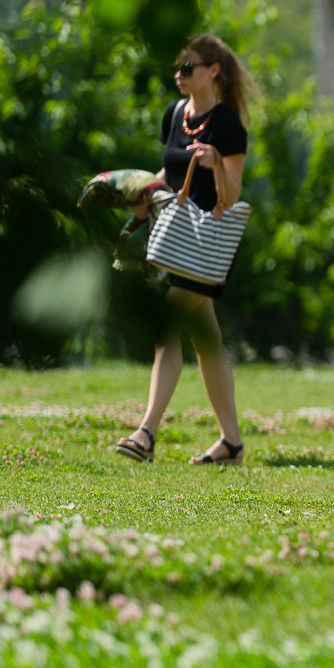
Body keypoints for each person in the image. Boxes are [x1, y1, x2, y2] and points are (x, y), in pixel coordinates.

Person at [115, 34, 256, 466]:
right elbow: (171, 170)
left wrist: (215, 164)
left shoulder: (228, 126)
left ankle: (146, 433)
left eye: (187, 68)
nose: (179, 76)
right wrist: (144, 191)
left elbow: (231, 197)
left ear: (213, 71)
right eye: (177, 69)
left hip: (202, 246)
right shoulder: (176, 114)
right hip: (171, 239)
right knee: (207, 341)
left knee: (167, 329)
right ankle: (231, 442)